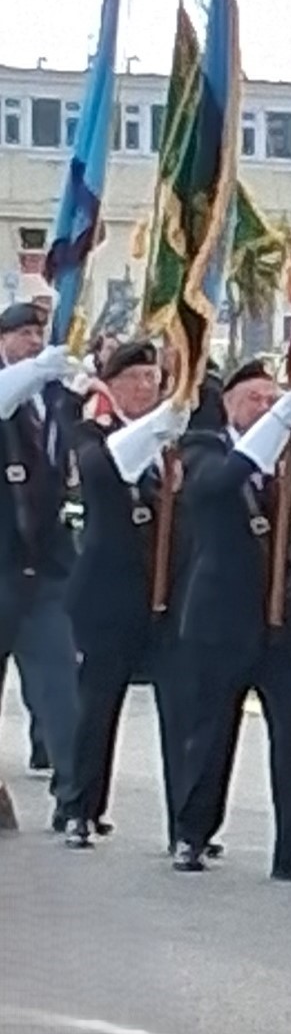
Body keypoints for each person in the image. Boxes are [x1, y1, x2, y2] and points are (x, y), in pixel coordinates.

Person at [169, 361, 291, 881]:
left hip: (281, 615)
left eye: (271, 400)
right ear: (229, 403)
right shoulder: (203, 449)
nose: (264, 408)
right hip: (221, 616)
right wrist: (276, 425)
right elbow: (218, 484)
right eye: (254, 399)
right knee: (212, 733)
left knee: (290, 736)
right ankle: (192, 834)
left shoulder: (289, 457)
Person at [61, 341, 191, 849]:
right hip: (109, 594)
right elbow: (102, 473)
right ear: (111, 385)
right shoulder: (93, 432)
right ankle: (80, 808)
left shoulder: (174, 440)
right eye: (133, 378)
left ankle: (187, 826)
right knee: (98, 706)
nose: (145, 387)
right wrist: (158, 425)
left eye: (152, 378)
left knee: (180, 712)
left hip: (168, 594)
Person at [0, 302, 82, 829]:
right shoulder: (18, 388)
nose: (34, 341)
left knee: (61, 686)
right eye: (24, 333)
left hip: (45, 566)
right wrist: (37, 370)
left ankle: (75, 802)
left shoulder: (54, 397)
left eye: (38, 333)